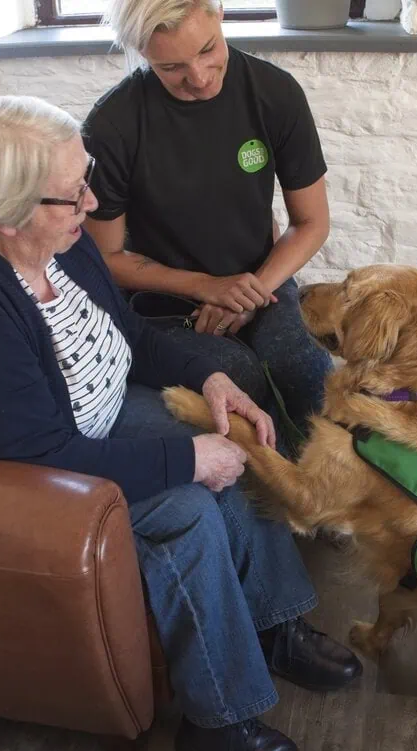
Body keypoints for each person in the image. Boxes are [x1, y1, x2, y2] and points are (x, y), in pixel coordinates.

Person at [0, 95, 361, 751]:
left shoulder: (59, 241)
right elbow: (36, 454)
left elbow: (129, 334)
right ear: (7, 213)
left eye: (87, 178)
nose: (92, 201)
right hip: (3, 479)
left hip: (92, 421)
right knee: (186, 508)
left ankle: (274, 625)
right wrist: (186, 460)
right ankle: (219, 720)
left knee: (233, 440)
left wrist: (211, 376)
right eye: (73, 192)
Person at [83, 0, 334, 441]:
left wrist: (248, 293)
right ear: (142, 52)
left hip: (262, 278)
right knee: (239, 371)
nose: (198, 78)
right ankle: (269, 477)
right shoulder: (113, 124)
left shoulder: (275, 94)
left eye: (207, 49)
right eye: (171, 67)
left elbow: (311, 223)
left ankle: (320, 476)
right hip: (162, 302)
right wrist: (206, 286)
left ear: (219, 14)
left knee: (302, 366)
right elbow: (104, 257)